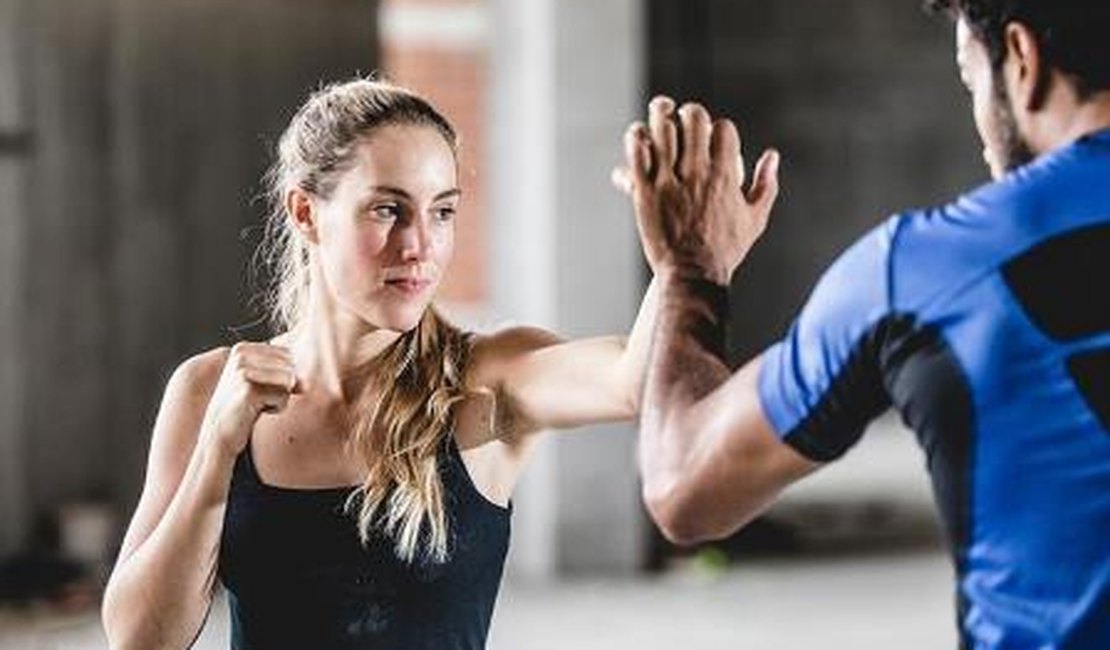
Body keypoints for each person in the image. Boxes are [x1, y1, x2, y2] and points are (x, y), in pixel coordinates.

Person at [101, 78, 656, 650]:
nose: (419, 244)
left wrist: (683, 266)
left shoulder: (489, 383)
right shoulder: (209, 390)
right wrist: (216, 450)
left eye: (442, 212)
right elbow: (137, 639)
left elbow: (634, 382)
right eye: (388, 209)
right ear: (305, 213)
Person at [620, 1, 1110, 647]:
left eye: (971, 80)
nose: (982, 131)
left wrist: (692, 270)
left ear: (1022, 60)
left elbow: (683, 485)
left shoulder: (925, 269)